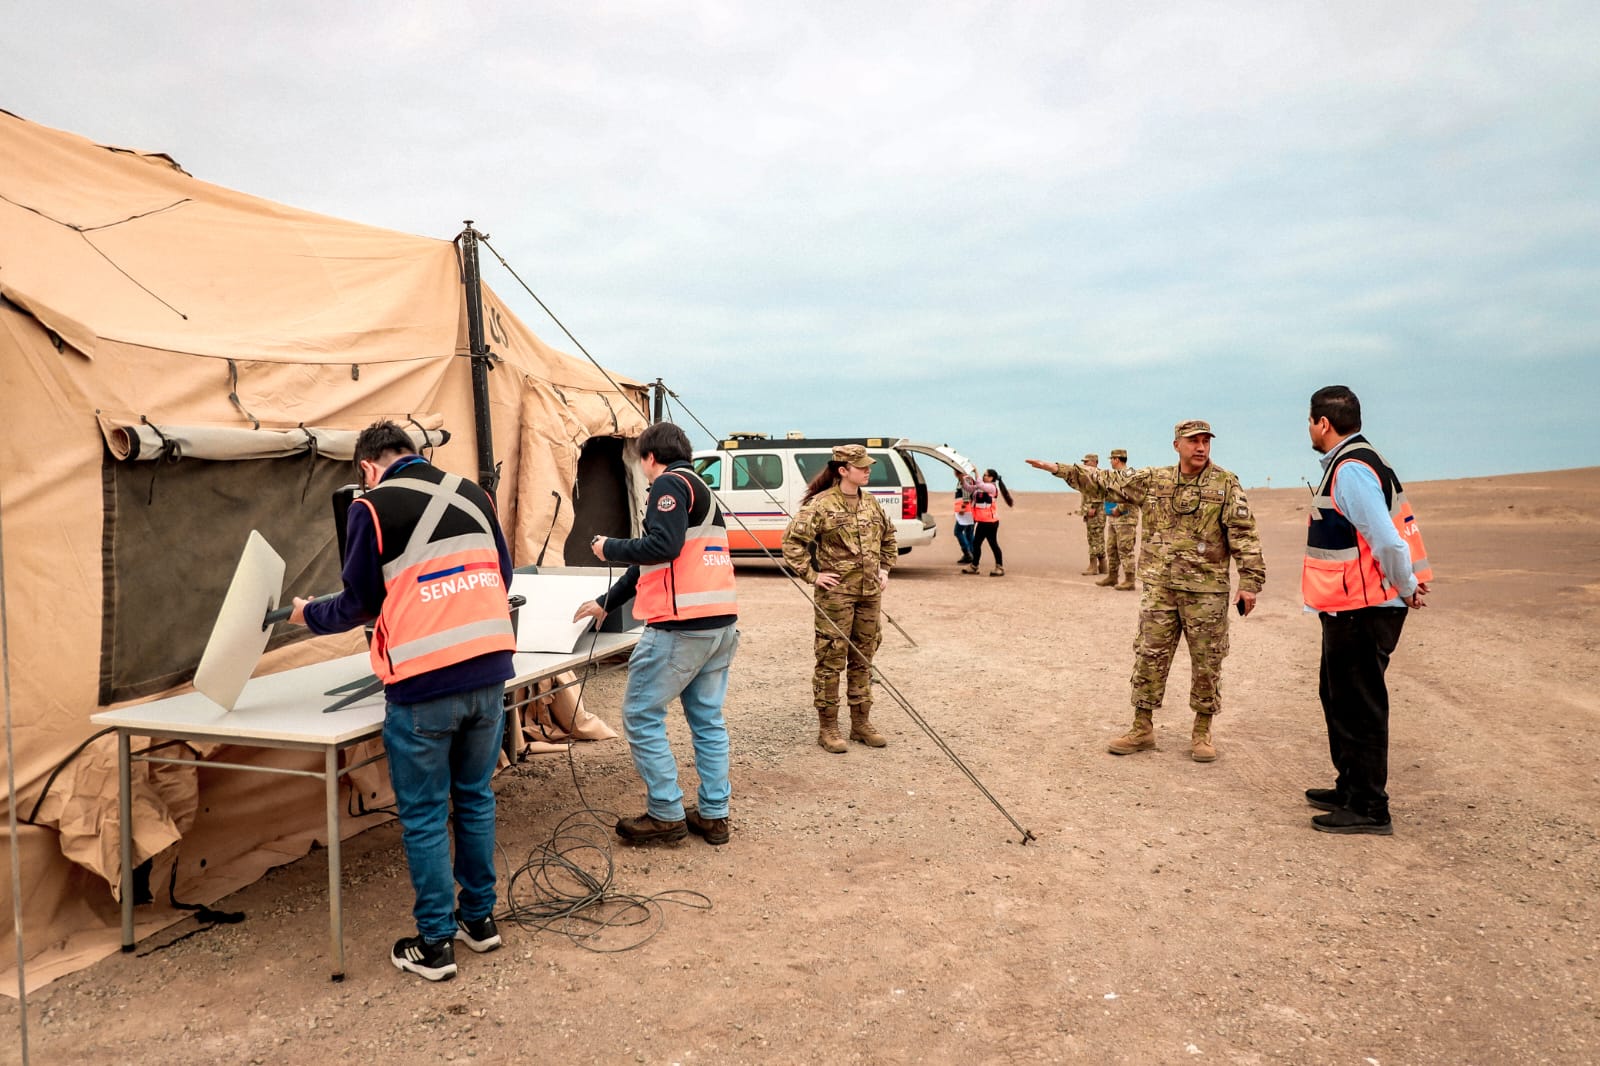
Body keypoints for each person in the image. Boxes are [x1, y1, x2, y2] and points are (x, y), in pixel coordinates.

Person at [291, 420, 515, 982]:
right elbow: (502, 574)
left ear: (367, 467)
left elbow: (359, 605)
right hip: (490, 671)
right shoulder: (474, 494)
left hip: (422, 685)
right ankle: (479, 922)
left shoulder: (369, 509)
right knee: (475, 797)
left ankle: (436, 945)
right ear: (413, 454)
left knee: (422, 815)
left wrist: (307, 614)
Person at [1027, 420, 1265, 762]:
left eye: (1205, 441)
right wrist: (1062, 470)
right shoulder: (1154, 480)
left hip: (1206, 591)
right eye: (1193, 441)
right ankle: (1142, 728)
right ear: (1176, 445)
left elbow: (1244, 532)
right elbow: (1106, 481)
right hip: (1160, 588)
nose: (1200, 447)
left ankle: (1201, 731)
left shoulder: (1225, 483)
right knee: (1149, 656)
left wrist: (1250, 582)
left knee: (1207, 662)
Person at [574, 421, 739, 847]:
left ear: (649, 457)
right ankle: (713, 815)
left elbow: (661, 547)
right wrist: (607, 601)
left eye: (641, 462)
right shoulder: (698, 486)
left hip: (680, 629)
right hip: (718, 624)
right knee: (706, 720)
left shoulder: (668, 484)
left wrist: (609, 547)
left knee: (642, 716)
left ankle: (666, 814)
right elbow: (655, 560)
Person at [1302, 385, 1432, 836]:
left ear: (1323, 423)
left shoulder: (1352, 469)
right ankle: (1350, 787)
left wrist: (1406, 584)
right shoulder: (1359, 460)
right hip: (1349, 606)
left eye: (1310, 421)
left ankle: (1370, 807)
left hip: (1364, 606)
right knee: (1337, 697)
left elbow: (1387, 539)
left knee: (1360, 706)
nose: (1310, 429)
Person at [781, 444, 896, 753]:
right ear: (843, 470)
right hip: (836, 596)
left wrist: (885, 569)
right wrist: (812, 575)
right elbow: (792, 542)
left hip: (870, 594)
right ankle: (828, 727)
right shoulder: (821, 505)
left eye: (868, 465)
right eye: (861, 466)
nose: (868, 470)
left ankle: (861, 723)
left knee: (863, 657)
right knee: (831, 659)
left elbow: (888, 536)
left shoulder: (871, 503)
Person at [1096, 448, 1139, 592]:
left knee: (1125, 549)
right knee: (1111, 548)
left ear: (1116, 459)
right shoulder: (1114, 475)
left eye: (1112, 459)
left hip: (1126, 519)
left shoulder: (1130, 474)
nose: (1111, 462)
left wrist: (1119, 509)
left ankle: (1129, 580)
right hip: (1114, 519)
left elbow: (1131, 494)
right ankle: (1112, 576)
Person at [960, 469, 1014, 577]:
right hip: (983, 521)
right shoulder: (981, 487)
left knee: (984, 543)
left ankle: (980, 566)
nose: (984, 476)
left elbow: (979, 484)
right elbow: (968, 488)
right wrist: (961, 478)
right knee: (981, 544)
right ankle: (978, 566)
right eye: (983, 475)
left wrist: (976, 472)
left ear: (991, 478)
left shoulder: (991, 487)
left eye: (986, 475)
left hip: (989, 522)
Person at [1077, 453, 1108, 576]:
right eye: (1084, 462)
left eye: (1087, 462)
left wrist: (1093, 507)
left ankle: (1093, 566)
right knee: (1098, 537)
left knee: (1094, 537)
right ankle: (1103, 566)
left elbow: (1099, 493)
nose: (1084, 464)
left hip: (1095, 511)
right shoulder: (1090, 475)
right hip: (1094, 511)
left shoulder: (1096, 475)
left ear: (1094, 462)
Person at [952, 481, 977, 565]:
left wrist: (963, 508)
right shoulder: (968, 479)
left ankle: (967, 553)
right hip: (971, 510)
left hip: (967, 511)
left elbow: (966, 496)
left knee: (957, 531)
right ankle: (972, 553)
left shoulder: (965, 479)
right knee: (969, 533)